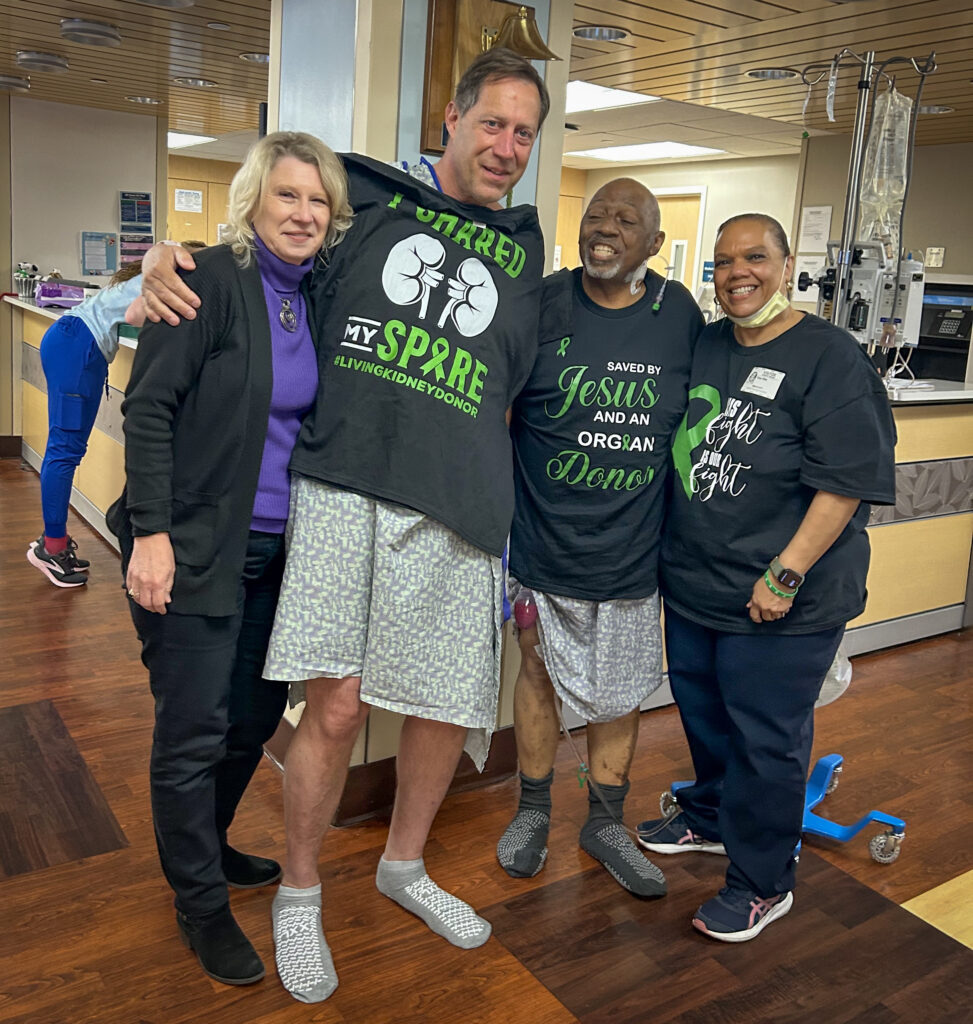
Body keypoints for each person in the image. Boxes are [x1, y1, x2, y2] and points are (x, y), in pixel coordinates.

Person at [137, 49, 549, 1004]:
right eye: (492, 123)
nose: (507, 146)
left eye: (525, 133)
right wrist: (158, 253)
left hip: (458, 507)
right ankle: (298, 890)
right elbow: (255, 249)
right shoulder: (361, 202)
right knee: (331, 705)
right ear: (450, 117)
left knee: (444, 705)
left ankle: (404, 868)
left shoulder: (528, 255)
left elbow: (525, 383)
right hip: (343, 491)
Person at [106, 131, 353, 985]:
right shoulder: (205, 281)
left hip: (281, 557)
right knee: (193, 733)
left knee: (251, 723)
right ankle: (199, 905)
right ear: (252, 201)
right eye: (287, 195)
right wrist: (150, 532)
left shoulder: (322, 294)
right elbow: (147, 410)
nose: (303, 213)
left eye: (318, 200)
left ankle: (204, 852)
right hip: (195, 546)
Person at [636, 213, 896, 942]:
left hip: (784, 593)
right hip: (697, 581)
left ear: (786, 265)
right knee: (706, 714)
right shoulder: (710, 343)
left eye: (754, 258)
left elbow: (844, 482)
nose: (736, 273)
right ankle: (712, 818)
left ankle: (761, 881)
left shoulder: (829, 357)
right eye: (722, 262)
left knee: (765, 738)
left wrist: (784, 573)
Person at [496, 179, 703, 897]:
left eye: (626, 219)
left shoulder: (677, 312)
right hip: (542, 542)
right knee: (535, 673)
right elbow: (497, 407)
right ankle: (530, 810)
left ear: (654, 243)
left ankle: (605, 821)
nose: (604, 228)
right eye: (594, 215)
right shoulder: (544, 301)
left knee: (620, 695)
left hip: (632, 548)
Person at [25, 246, 200, 587]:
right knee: (64, 451)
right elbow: (136, 316)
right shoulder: (167, 277)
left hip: (72, 342)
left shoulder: (150, 272)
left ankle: (53, 542)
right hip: (79, 349)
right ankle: (52, 549)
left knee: (66, 449)